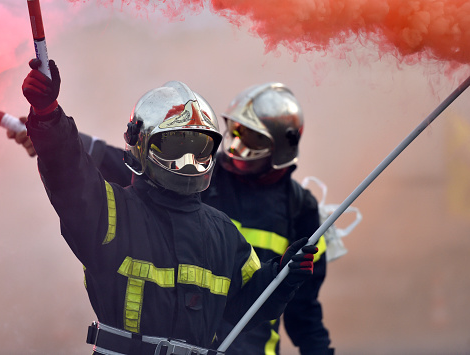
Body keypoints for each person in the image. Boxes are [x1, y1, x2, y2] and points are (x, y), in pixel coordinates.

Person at [20, 58, 318, 355]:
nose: (188, 162)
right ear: (141, 143)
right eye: (176, 147)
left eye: (199, 149)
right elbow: (67, 171)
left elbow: (243, 305)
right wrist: (47, 114)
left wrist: (281, 276)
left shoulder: (223, 232)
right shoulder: (110, 212)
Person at [201, 83, 333, 355]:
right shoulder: (199, 180)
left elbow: (304, 311)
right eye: (235, 131)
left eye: (251, 137)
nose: (237, 145)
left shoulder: (301, 208)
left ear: (282, 145)